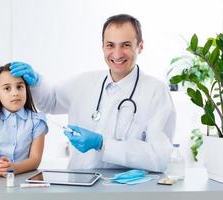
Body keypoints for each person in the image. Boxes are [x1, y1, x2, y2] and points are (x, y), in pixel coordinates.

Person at [10, 14, 176, 172]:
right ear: (103, 46)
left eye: (126, 45)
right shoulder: (84, 82)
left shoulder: (156, 91)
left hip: (125, 189)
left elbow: (159, 157)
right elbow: (50, 102)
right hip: (80, 184)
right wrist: (37, 83)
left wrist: (102, 144)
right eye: (110, 45)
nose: (117, 54)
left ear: (140, 46)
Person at [0, 63, 48, 176]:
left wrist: (14, 168)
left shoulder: (37, 121)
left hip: (24, 182)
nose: (15, 93)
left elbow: (35, 160)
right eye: (7, 88)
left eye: (19, 87)